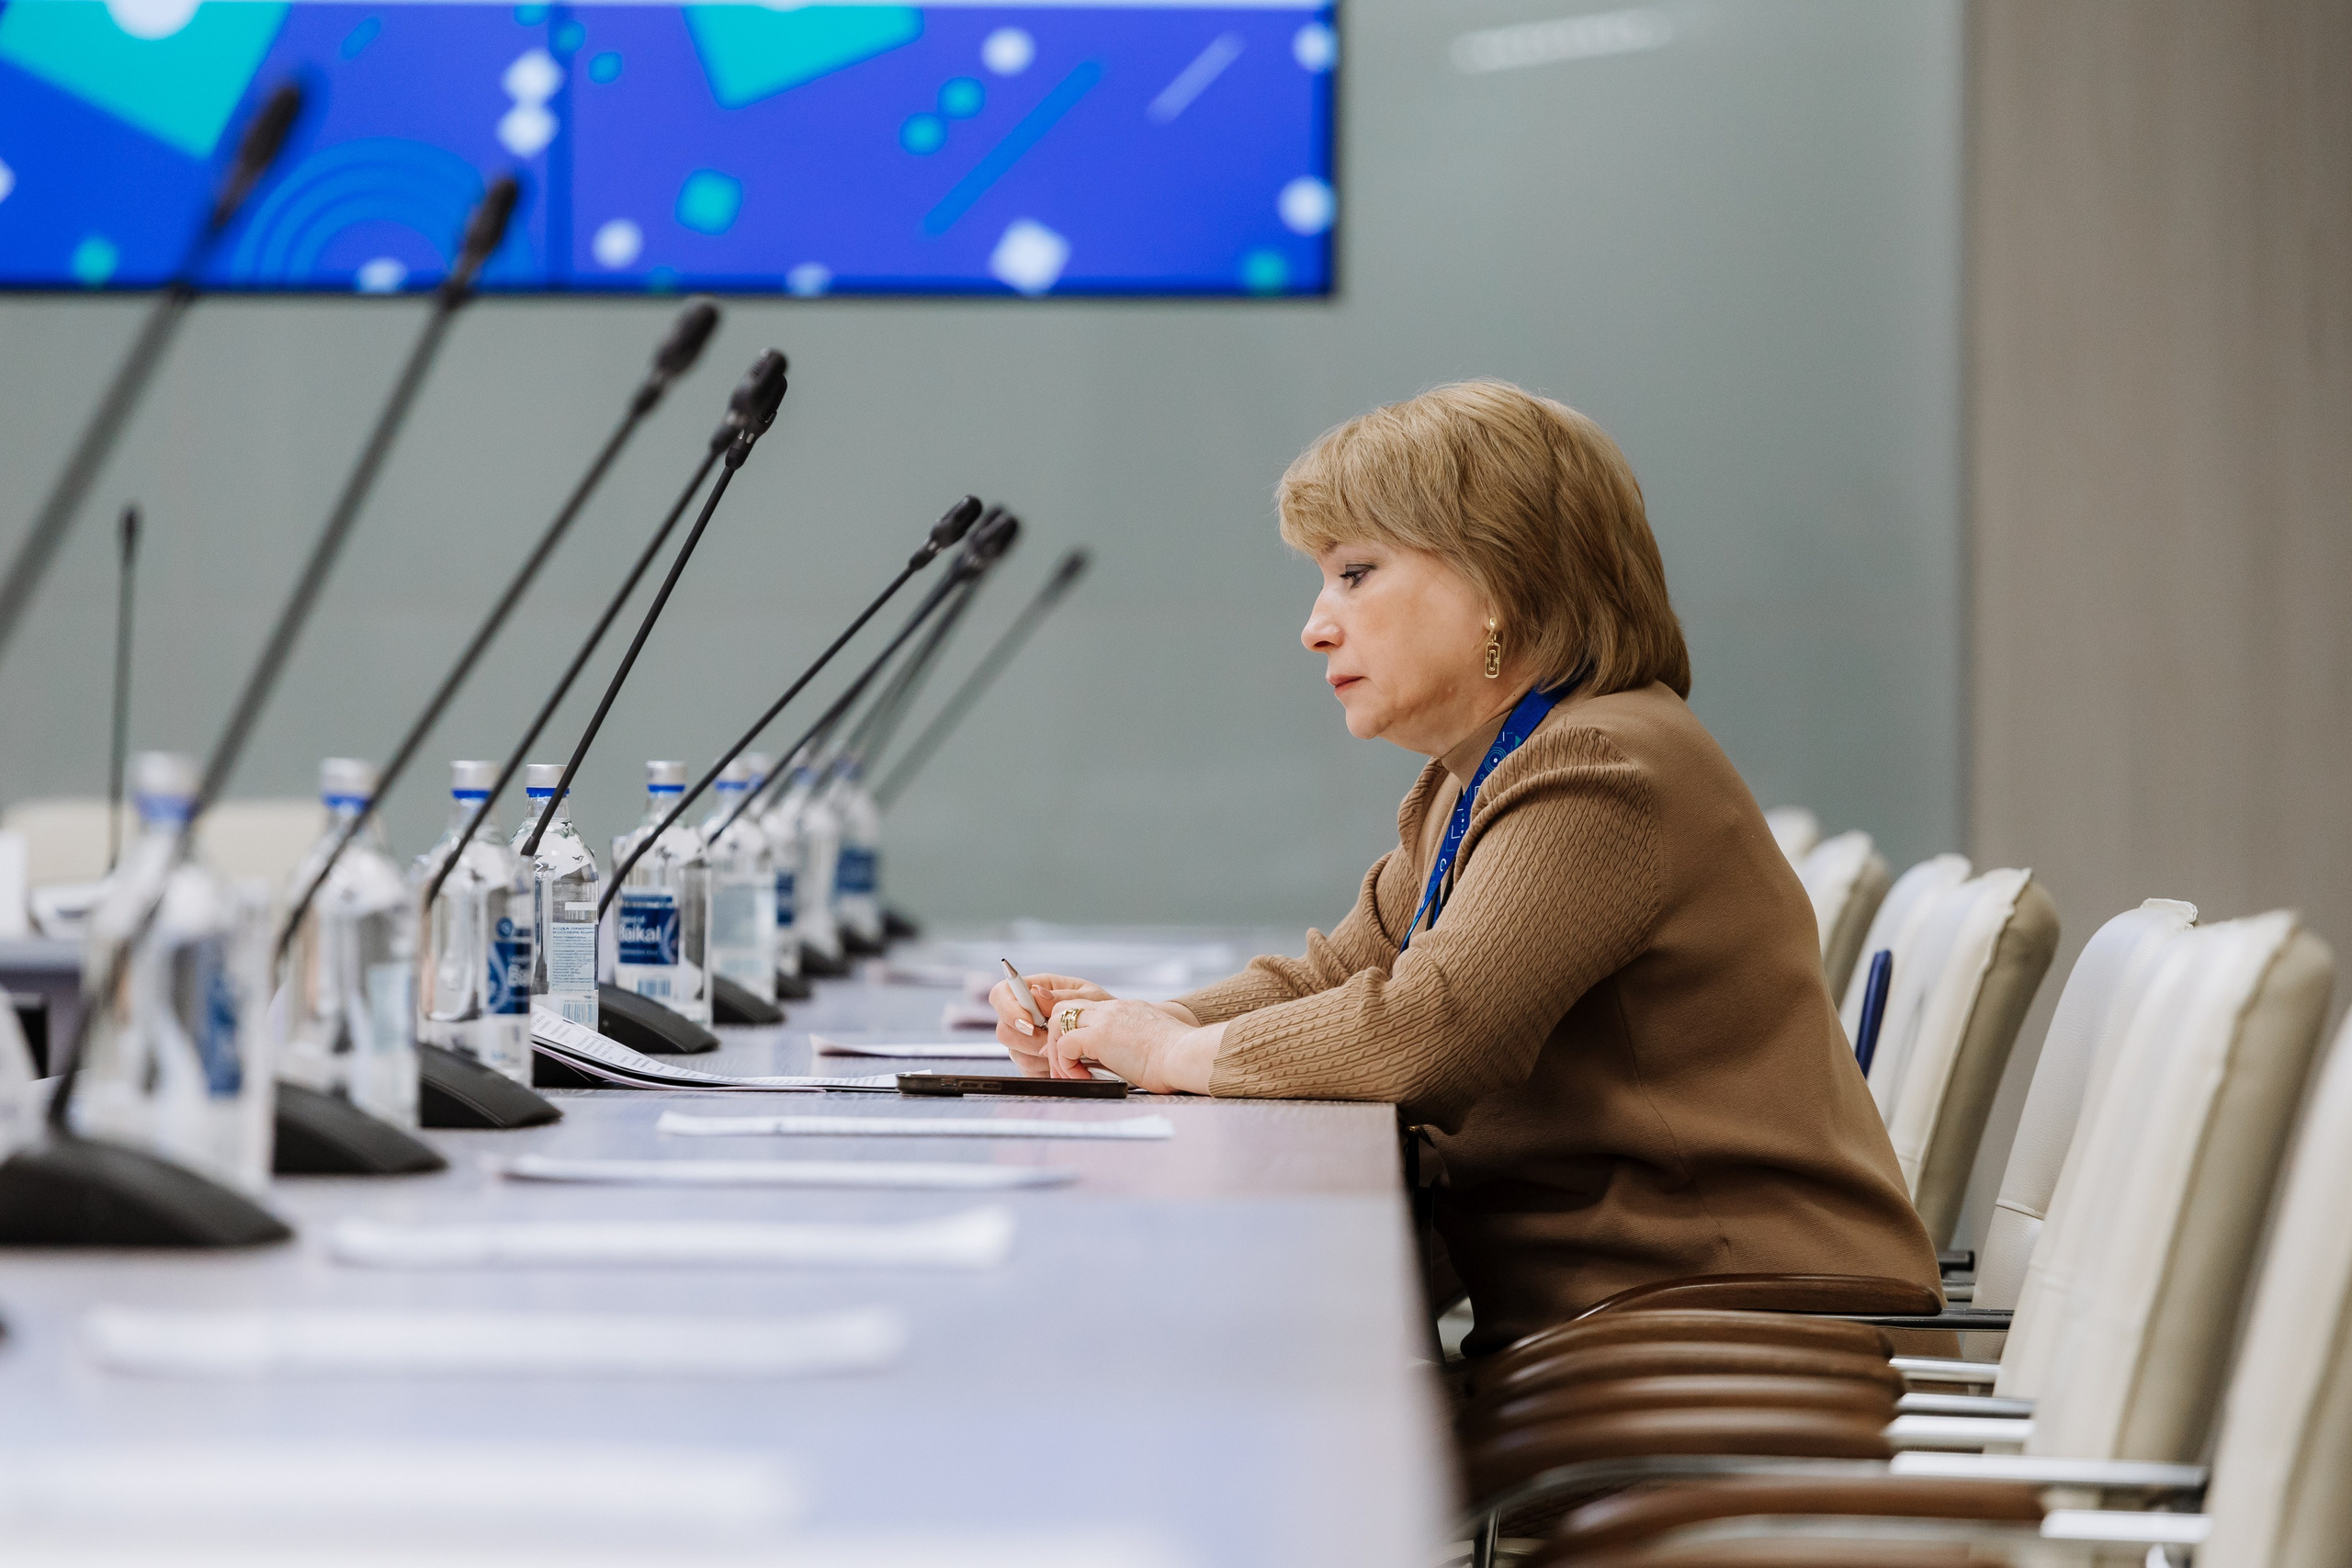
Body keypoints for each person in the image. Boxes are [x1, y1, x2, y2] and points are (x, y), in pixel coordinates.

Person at [989, 380, 1940, 1356]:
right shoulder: (1480, 774)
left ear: (1500, 582)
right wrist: (1128, 1030)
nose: (1316, 626)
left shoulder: (1599, 768)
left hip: (1742, 1352)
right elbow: (1336, 975)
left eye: (1355, 572)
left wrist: (1175, 1056)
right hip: (1637, 1338)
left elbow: (1429, 1034)